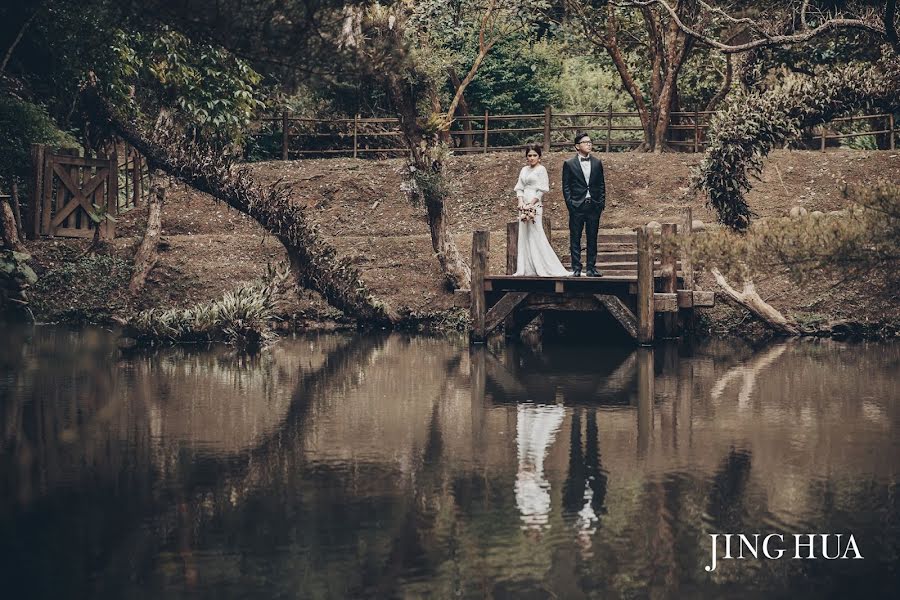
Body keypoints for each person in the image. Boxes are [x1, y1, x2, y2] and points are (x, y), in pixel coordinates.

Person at [513, 145, 571, 277]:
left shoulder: (541, 170)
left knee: (535, 232)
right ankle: (524, 268)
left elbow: (541, 190)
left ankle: (542, 265)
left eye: (534, 155)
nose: (532, 158)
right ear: (526, 157)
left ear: (539, 157)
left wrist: (531, 204)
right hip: (523, 204)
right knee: (524, 233)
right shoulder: (524, 170)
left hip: (535, 203)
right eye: (529, 155)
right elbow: (519, 187)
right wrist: (521, 202)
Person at [562, 132, 606, 277]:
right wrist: (570, 204)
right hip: (577, 206)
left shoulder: (597, 163)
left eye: (590, 142)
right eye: (585, 142)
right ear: (577, 146)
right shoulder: (569, 164)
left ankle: (591, 268)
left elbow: (601, 185)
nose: (589, 144)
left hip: (593, 205)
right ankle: (576, 268)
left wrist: (601, 203)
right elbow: (566, 186)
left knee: (592, 238)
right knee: (575, 237)